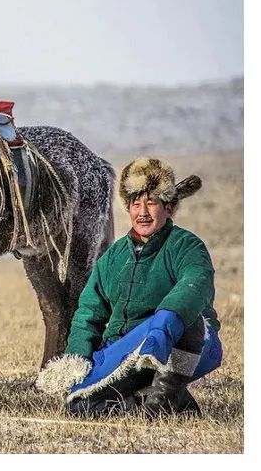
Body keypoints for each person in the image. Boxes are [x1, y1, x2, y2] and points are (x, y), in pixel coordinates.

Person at [36, 158, 223, 417]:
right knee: (79, 405)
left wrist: (160, 329)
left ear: (168, 207)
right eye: (136, 203)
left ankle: (162, 402)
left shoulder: (187, 246)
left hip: (189, 343)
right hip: (127, 350)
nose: (143, 212)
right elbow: (88, 314)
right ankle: (165, 401)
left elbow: (194, 287)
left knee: (181, 318)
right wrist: (76, 360)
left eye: (151, 203)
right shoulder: (112, 257)